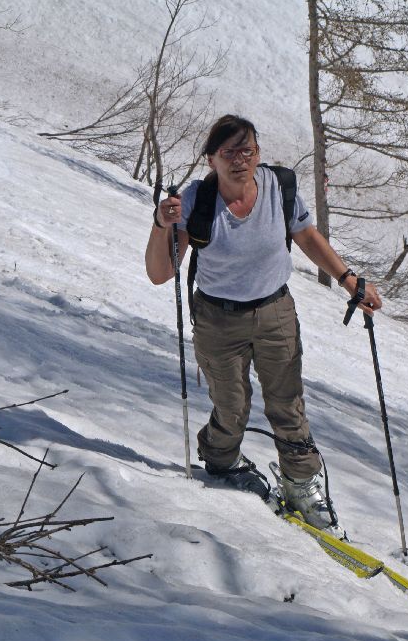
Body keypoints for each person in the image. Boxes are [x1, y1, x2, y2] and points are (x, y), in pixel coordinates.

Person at [145, 114, 381, 531]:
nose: (240, 159)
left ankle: (301, 482)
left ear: (258, 153)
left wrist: (349, 281)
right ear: (212, 158)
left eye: (247, 150)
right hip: (218, 318)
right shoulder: (196, 202)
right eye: (229, 152)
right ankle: (222, 462)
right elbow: (161, 273)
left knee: (287, 402)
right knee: (231, 406)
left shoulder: (280, 187)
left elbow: (307, 236)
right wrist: (161, 226)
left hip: (275, 311)